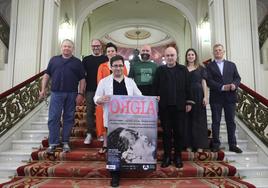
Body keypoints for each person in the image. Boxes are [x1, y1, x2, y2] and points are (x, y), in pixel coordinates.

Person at [94, 55, 142, 187]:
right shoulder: (104, 82)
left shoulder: (130, 82)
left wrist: (153, 100)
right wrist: (100, 99)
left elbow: (140, 97)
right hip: (112, 121)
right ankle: (114, 174)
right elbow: (96, 97)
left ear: (124, 67)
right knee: (114, 149)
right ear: (111, 67)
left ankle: (126, 169)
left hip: (128, 121)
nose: (118, 68)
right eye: (115, 65)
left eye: (120, 65)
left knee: (126, 146)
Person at [39, 39, 86, 154]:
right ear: (61, 47)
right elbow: (46, 75)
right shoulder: (54, 60)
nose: (66, 48)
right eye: (65, 46)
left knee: (69, 118)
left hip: (71, 94)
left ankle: (65, 142)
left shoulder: (77, 62)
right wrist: (43, 89)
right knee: (53, 118)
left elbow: (82, 79)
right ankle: (53, 143)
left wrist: (80, 93)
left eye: (69, 47)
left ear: (73, 49)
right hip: (56, 93)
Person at [153, 46, 194, 168]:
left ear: (176, 56)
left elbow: (188, 87)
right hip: (165, 108)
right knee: (166, 134)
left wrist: (189, 102)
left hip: (180, 107)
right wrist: (156, 96)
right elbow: (155, 87)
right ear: (164, 57)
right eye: (168, 55)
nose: (170, 57)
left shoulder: (183, 70)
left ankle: (177, 157)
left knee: (179, 133)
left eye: (172, 55)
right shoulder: (160, 70)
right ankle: (166, 157)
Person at [206, 44, 242, 153]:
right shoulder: (209, 66)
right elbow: (209, 81)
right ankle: (216, 144)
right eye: (215, 50)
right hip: (216, 98)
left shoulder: (231, 65)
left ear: (223, 51)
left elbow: (237, 78)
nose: (218, 52)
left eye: (219, 50)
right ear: (213, 52)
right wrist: (222, 87)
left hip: (230, 97)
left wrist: (234, 85)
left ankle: (233, 144)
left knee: (231, 121)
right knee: (215, 121)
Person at [96, 42, 128, 154]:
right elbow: (99, 82)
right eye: (108, 51)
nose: (110, 53)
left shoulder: (121, 65)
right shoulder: (102, 66)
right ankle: (105, 144)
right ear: (106, 53)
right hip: (105, 100)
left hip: (120, 103)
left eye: (112, 51)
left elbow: (126, 81)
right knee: (104, 123)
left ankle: (120, 147)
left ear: (116, 52)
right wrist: (102, 97)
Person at [83, 39, 108, 144]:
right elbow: (82, 76)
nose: (95, 47)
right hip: (90, 89)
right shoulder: (86, 59)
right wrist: (81, 90)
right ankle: (89, 133)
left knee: (101, 113)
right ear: (91, 47)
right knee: (89, 112)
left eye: (97, 45)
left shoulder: (106, 58)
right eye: (93, 46)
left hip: (103, 90)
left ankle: (101, 133)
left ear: (101, 46)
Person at [184, 48, 209, 152]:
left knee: (199, 121)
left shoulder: (201, 68)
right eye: (188, 55)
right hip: (186, 96)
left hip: (199, 95)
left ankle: (199, 145)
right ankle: (189, 145)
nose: (190, 56)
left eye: (192, 55)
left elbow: (204, 83)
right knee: (187, 121)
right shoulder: (183, 69)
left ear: (195, 56)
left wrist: (206, 96)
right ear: (186, 57)